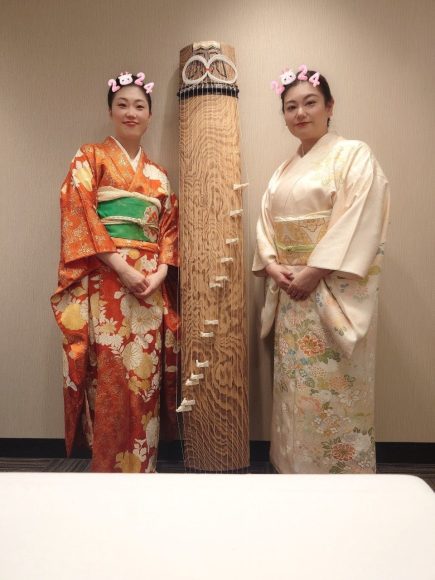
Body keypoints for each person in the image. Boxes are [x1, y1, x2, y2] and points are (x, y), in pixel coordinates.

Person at [253, 67, 390, 474]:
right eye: (290, 106)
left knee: (331, 389)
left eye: (310, 103)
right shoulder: (282, 170)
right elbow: (266, 223)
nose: (300, 113)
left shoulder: (354, 154)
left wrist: (314, 271)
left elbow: (360, 218)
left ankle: (340, 479)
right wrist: (272, 265)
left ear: (330, 107)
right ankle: (291, 470)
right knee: (294, 391)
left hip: (329, 291)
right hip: (291, 293)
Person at [51, 71, 179, 473]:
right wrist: (122, 267)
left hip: (149, 286)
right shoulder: (89, 157)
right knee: (108, 374)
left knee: (145, 375)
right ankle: (107, 470)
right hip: (107, 279)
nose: (131, 112)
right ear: (110, 111)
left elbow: (169, 229)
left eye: (139, 106)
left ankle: (145, 466)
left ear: (150, 116)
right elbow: (80, 213)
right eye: (122, 104)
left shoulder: (158, 175)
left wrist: (161, 273)